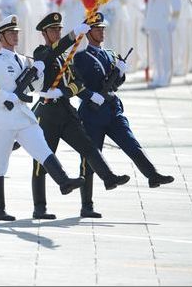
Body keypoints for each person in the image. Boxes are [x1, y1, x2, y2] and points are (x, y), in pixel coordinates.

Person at [0, 14, 84, 221]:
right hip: (2, 118)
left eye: (16, 32)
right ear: (1, 37)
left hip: (23, 115)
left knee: (42, 149)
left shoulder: (24, 60)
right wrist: (4, 96)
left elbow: (35, 87)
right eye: (10, 33)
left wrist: (39, 73)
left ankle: (64, 182)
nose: (15, 36)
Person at [30, 12, 130, 220]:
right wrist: (73, 34)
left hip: (66, 111)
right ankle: (39, 207)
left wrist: (66, 92)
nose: (57, 33)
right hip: (48, 114)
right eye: (53, 30)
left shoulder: (66, 57)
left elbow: (77, 82)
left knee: (88, 148)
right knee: (42, 161)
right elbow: (51, 54)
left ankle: (108, 178)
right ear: (44, 33)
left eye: (59, 29)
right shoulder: (41, 52)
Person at [74, 12, 175, 217]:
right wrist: (92, 96)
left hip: (112, 110)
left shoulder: (111, 54)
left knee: (131, 143)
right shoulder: (81, 57)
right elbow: (77, 85)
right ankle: (87, 205)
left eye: (103, 28)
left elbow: (116, 83)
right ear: (88, 33)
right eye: (97, 29)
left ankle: (152, 175)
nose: (102, 31)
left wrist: (120, 72)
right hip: (92, 114)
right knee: (90, 158)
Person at [143, 0, 181, 87]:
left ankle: (166, 76)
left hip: (164, 21)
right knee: (155, 51)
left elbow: (177, 3)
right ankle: (157, 75)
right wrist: (145, 22)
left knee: (165, 51)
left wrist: (174, 21)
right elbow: (148, 4)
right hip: (152, 21)